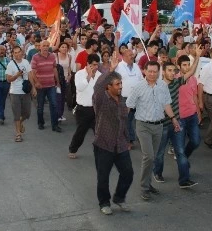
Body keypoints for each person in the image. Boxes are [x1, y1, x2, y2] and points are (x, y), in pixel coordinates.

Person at [126, 61, 176, 201]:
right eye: (150, 71)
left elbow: (166, 103)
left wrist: (173, 118)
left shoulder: (163, 86)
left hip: (159, 126)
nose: (152, 74)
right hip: (143, 126)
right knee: (149, 156)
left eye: (155, 72)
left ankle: (148, 184)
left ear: (159, 72)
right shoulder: (138, 87)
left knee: (153, 156)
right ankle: (144, 188)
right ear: (144, 71)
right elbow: (129, 105)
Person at [154, 51, 201, 189]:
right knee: (160, 152)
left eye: (173, 70)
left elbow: (191, 72)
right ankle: (157, 172)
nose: (172, 72)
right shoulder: (157, 86)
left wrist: (197, 56)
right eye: (169, 70)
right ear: (163, 72)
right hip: (162, 125)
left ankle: (184, 180)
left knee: (180, 151)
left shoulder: (176, 82)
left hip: (176, 123)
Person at [92, 70, 134, 215]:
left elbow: (124, 121)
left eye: (121, 83)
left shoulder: (122, 100)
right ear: (108, 86)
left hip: (121, 144)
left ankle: (119, 198)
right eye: (117, 84)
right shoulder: (100, 100)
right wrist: (110, 70)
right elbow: (97, 87)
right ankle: (104, 203)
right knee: (103, 177)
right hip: (104, 144)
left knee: (128, 173)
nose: (120, 86)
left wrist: (128, 140)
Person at [69, 54, 101, 158]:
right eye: (93, 65)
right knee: (81, 132)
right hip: (83, 110)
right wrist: (88, 76)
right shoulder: (79, 74)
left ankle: (100, 151)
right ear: (88, 64)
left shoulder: (100, 75)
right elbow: (80, 87)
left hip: (96, 109)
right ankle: (72, 149)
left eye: (97, 65)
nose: (96, 67)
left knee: (99, 132)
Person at [115, 49, 144, 149]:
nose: (132, 56)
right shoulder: (118, 67)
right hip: (124, 97)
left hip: (137, 97)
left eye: (132, 55)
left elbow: (141, 80)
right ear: (123, 56)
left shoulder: (136, 66)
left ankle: (136, 138)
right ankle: (128, 140)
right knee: (126, 119)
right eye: (129, 55)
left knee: (137, 119)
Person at [31, 40, 61, 132]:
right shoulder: (35, 57)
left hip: (51, 85)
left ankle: (55, 125)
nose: (45, 47)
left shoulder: (52, 56)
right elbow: (33, 72)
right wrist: (36, 83)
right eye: (44, 45)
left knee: (54, 105)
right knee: (40, 106)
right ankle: (40, 123)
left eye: (47, 46)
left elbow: (54, 69)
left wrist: (58, 82)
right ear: (40, 47)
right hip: (40, 86)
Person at [6, 46, 34, 142]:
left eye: (19, 52)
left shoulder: (26, 62)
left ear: (22, 53)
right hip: (15, 92)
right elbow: (8, 79)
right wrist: (17, 75)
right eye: (15, 53)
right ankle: (18, 133)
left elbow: (30, 74)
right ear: (13, 54)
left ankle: (21, 122)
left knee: (27, 113)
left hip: (25, 91)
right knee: (17, 114)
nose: (18, 54)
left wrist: (33, 87)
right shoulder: (10, 64)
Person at [56, 42, 72, 121]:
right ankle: (57, 115)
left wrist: (69, 75)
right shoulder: (55, 56)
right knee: (58, 98)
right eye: (62, 47)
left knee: (62, 98)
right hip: (57, 80)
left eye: (66, 47)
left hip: (65, 80)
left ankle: (60, 115)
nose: (64, 48)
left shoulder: (69, 56)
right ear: (59, 48)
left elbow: (69, 67)